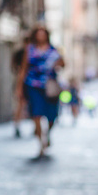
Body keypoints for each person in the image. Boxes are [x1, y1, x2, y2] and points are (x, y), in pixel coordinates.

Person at [15, 26, 64, 157]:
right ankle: (41, 142)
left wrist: (58, 64)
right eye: (38, 34)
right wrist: (19, 87)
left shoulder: (54, 50)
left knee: (52, 116)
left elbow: (63, 64)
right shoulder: (29, 49)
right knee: (36, 114)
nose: (40, 36)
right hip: (33, 85)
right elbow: (23, 69)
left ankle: (47, 134)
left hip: (49, 86)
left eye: (43, 34)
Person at [11, 46, 27, 138]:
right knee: (20, 105)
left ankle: (17, 125)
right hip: (23, 82)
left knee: (20, 106)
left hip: (22, 82)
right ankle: (17, 125)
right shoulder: (22, 53)